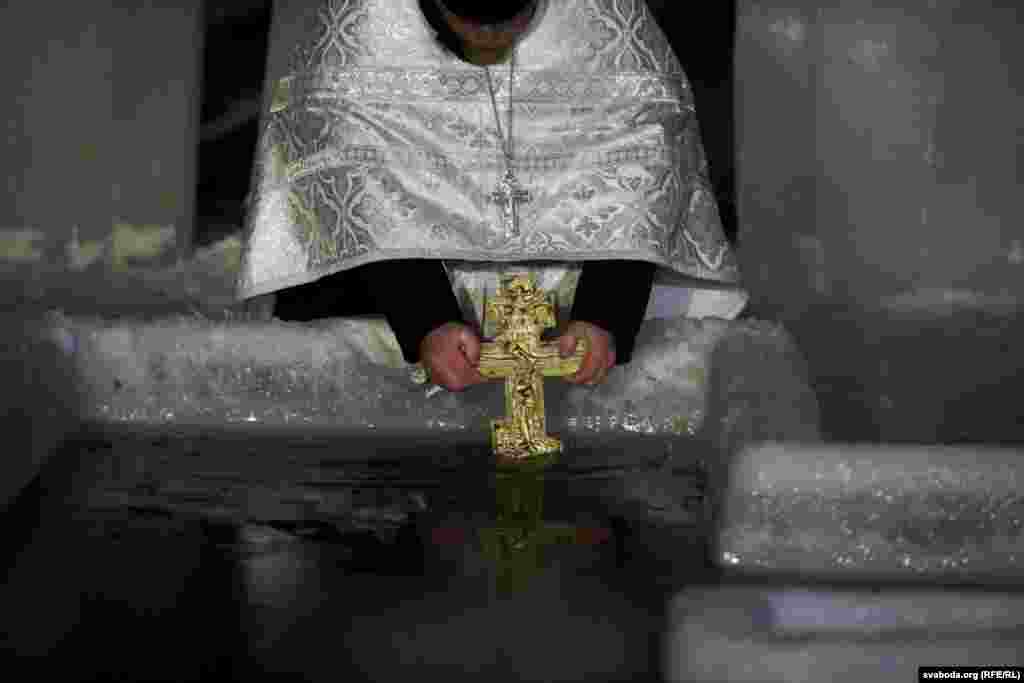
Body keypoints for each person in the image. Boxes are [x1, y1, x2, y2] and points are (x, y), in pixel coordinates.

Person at [238, 0, 744, 392]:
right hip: (392, 280)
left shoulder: (599, 13)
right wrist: (425, 319)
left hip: (575, 280)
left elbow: (648, 150)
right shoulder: (366, 17)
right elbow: (347, 167)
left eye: (509, 25)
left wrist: (606, 312)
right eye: (471, 27)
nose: (489, 40)